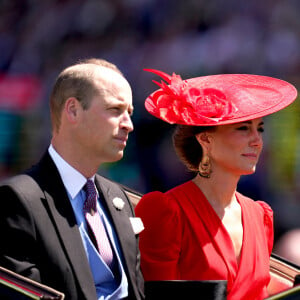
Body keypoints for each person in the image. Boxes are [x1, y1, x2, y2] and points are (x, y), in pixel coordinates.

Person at [135, 69, 298, 300]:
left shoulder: (261, 215)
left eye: (259, 129)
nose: (257, 140)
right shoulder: (166, 210)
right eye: (243, 128)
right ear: (206, 140)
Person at [0, 58, 145, 300]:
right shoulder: (16, 200)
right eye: (115, 110)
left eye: (129, 113)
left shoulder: (121, 199)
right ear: (73, 110)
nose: (128, 124)